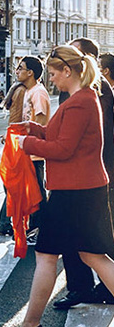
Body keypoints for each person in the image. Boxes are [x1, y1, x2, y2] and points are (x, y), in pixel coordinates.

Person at [0, 45, 114, 327]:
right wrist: (32, 130)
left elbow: (64, 148)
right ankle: (30, 324)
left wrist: (25, 143)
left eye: (53, 73)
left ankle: (30, 325)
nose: (51, 80)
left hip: (74, 193)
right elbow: (58, 136)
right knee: (90, 255)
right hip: (81, 190)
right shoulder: (84, 98)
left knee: (49, 256)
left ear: (67, 70)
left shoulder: (79, 102)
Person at [53, 37, 114, 308]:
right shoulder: (73, 90)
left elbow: (82, 140)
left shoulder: (96, 91)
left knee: (96, 243)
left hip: (90, 176)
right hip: (77, 178)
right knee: (81, 244)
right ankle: (81, 287)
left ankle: (99, 287)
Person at [16, 56, 50, 244]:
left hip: (35, 153)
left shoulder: (38, 92)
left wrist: (28, 138)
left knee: (37, 193)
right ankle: (35, 229)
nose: (17, 71)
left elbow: (41, 121)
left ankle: (41, 230)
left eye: (20, 68)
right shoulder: (29, 91)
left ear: (30, 72)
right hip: (29, 151)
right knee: (32, 193)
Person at [0, 76, 28, 236]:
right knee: (13, 186)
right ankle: (4, 223)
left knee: (12, 185)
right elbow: (21, 118)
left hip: (13, 138)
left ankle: (5, 222)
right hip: (17, 140)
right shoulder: (23, 91)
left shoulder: (17, 89)